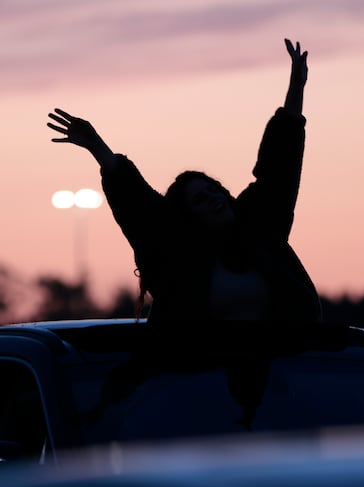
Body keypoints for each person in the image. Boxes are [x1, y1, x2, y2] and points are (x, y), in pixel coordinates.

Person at [47, 39, 321, 322]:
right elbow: (137, 203)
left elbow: (279, 170)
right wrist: (97, 147)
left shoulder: (261, 227)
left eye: (214, 191)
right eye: (200, 199)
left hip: (286, 360)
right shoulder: (175, 255)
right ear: (188, 216)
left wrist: (296, 90)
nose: (213, 198)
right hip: (197, 364)